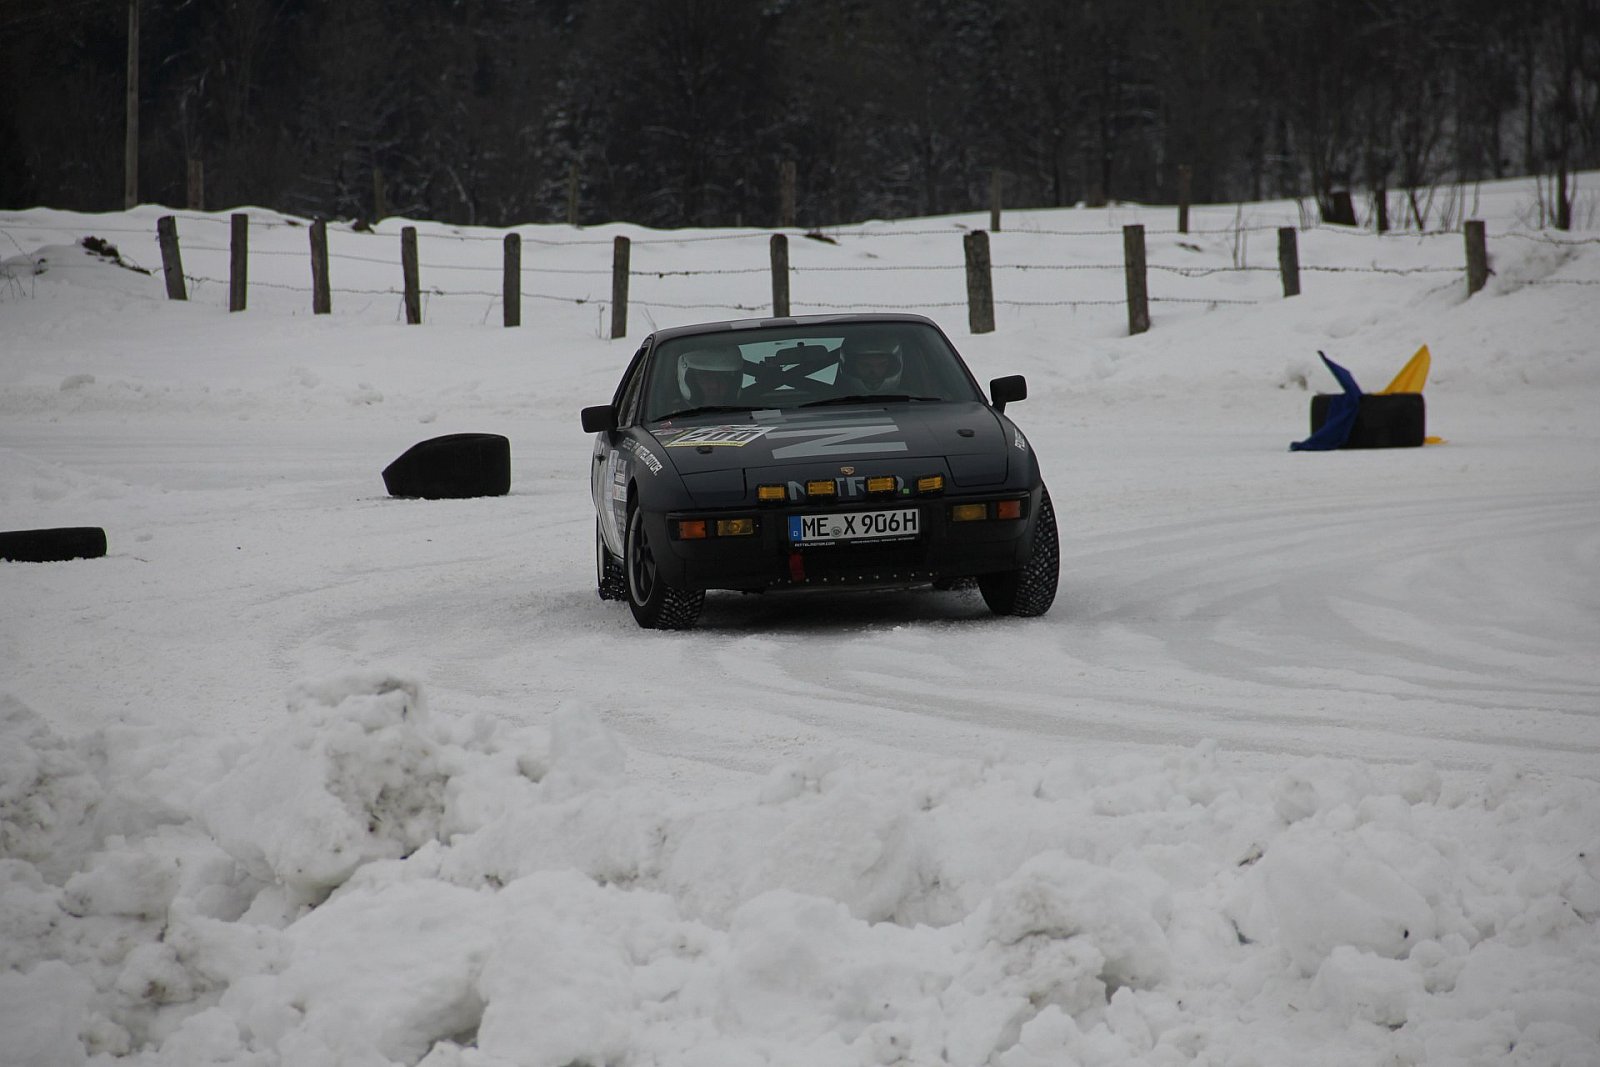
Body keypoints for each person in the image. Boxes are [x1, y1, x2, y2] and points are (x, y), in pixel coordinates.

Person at [675, 346, 745, 406]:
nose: (715, 385)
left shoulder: (748, 412)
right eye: (705, 376)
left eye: (723, 377)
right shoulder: (672, 416)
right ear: (690, 380)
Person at [836, 336, 904, 394]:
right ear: (851, 367)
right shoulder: (831, 400)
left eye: (882, 365)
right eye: (865, 365)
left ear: (891, 366)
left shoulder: (907, 400)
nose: (874, 371)